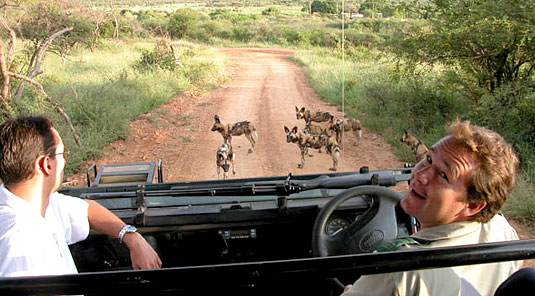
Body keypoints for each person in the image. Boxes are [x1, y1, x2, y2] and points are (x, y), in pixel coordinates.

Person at [342, 119, 521, 296]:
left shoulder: (398, 270)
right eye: (428, 159)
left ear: (473, 206)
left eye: (443, 175)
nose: (420, 175)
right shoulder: (504, 233)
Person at [0, 116, 162, 277]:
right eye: (62, 153)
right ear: (46, 165)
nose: (64, 161)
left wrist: (132, 237)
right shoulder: (18, 244)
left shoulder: (38, 201)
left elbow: (87, 209)